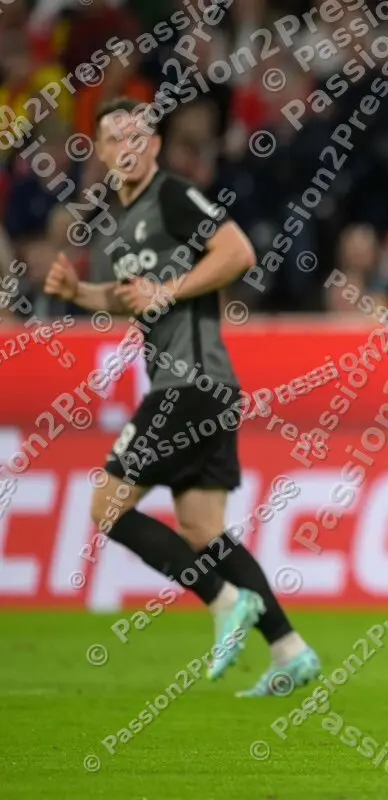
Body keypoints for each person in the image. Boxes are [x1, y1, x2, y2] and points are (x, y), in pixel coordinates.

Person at [42, 97, 320, 697]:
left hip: (188, 384)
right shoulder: (117, 221)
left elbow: (238, 251)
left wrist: (170, 290)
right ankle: (290, 649)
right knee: (202, 530)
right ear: (102, 151)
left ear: (157, 146)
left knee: (106, 508)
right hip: (203, 389)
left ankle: (224, 601)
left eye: (139, 135)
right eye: (116, 137)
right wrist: (79, 291)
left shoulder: (172, 194)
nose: (129, 146)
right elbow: (129, 298)